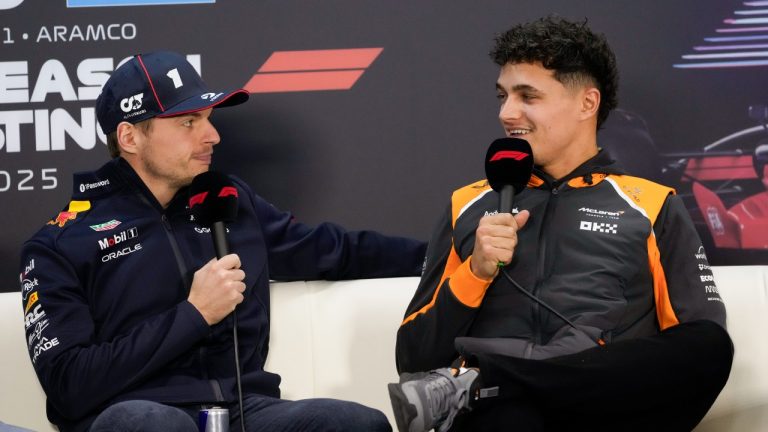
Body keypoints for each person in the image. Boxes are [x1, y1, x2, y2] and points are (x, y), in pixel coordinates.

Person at [20, 50, 426, 432]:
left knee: (355, 423)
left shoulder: (228, 200)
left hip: (240, 411)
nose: (212, 135)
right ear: (130, 138)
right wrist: (195, 313)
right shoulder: (60, 244)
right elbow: (69, 385)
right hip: (137, 414)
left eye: (209, 118)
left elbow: (333, 252)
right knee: (150, 423)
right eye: (188, 122)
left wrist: (446, 255)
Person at [388, 16, 733, 432]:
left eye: (527, 96)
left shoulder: (653, 204)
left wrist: (507, 378)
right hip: (501, 420)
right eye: (503, 96)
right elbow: (413, 359)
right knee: (514, 419)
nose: (506, 112)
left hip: (602, 405)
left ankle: (494, 382)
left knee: (710, 345)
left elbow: (695, 349)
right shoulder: (468, 204)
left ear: (588, 103)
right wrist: (475, 274)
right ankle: (497, 388)